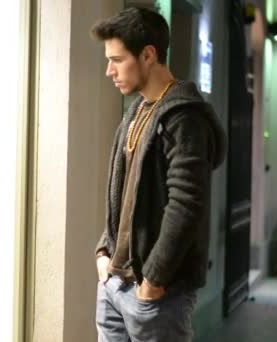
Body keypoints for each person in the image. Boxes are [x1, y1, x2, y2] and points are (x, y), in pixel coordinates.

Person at [91, 7, 227, 342]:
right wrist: (103, 252)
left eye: (118, 59)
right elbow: (121, 195)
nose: (109, 70)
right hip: (114, 282)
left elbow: (186, 204)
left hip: (155, 295)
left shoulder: (184, 119)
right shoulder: (137, 110)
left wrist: (152, 279)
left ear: (148, 55)